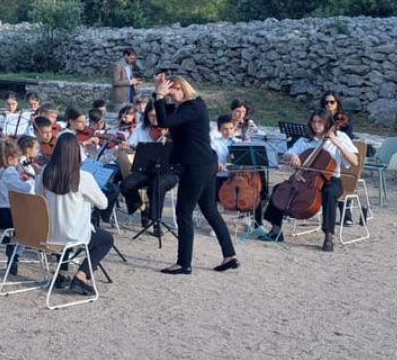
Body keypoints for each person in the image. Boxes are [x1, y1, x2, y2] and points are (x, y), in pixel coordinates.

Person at [152, 74, 239, 275]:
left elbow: (164, 121)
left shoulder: (192, 106)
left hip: (197, 166)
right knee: (209, 210)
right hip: (204, 163)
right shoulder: (189, 106)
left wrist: (158, 96)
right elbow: (170, 119)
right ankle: (229, 256)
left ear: (182, 88)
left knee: (183, 212)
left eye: (172, 92)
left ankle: (184, 263)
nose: (169, 96)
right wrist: (159, 92)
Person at [258, 110, 360, 251]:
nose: (316, 125)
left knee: (329, 194)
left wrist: (337, 143)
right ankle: (276, 230)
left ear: (327, 123)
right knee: (279, 189)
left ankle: (328, 236)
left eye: (320, 122)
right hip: (305, 178)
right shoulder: (305, 140)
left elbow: (354, 161)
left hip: (331, 179)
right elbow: (287, 155)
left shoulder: (341, 136)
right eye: (314, 122)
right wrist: (292, 157)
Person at [41, 133, 114, 293]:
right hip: (73, 235)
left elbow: (38, 195)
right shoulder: (84, 177)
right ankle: (81, 276)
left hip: (50, 232)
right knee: (106, 240)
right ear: (76, 152)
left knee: (64, 224)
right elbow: (103, 204)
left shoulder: (46, 171)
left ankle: (62, 273)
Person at [0, 140, 29, 274]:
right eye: (17, 159)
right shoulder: (9, 171)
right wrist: (31, 181)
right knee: (31, 225)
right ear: (10, 158)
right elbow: (25, 189)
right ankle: (15, 253)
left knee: (23, 222)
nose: (18, 162)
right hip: (8, 216)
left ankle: (12, 243)